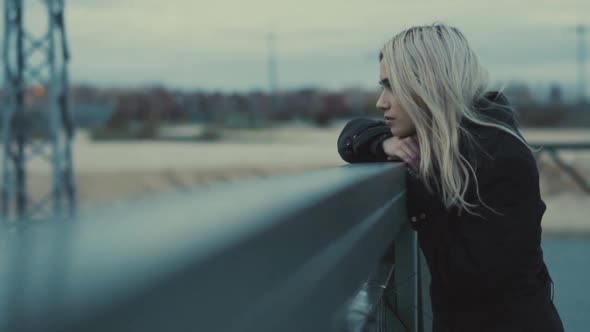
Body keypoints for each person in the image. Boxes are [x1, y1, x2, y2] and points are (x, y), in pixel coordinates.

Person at [337, 23, 564, 332]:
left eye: (391, 86)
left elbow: (473, 279)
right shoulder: (441, 142)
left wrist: (420, 184)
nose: (381, 102)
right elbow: (350, 135)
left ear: (427, 83)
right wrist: (383, 143)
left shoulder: (500, 154)